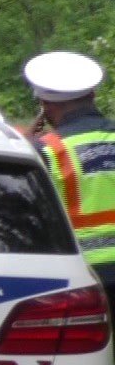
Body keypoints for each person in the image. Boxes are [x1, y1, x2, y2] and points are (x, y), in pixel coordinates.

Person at [24, 51, 115, 298]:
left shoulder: (48, 150)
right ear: (93, 95)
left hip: (83, 276)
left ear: (45, 105)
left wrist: (27, 141)